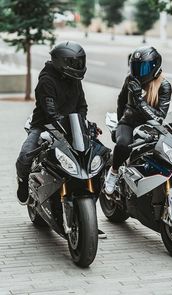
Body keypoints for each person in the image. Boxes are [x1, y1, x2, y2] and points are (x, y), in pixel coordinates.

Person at [16, 41, 107, 238]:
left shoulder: (74, 79)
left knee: (99, 158)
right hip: (45, 125)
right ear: (61, 62)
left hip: (74, 127)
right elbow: (50, 112)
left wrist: (84, 124)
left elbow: (82, 106)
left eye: (80, 62)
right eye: (75, 62)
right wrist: (62, 126)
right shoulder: (46, 81)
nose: (79, 66)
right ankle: (23, 183)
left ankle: (87, 219)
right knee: (25, 154)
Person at [105, 46, 172, 195]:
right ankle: (114, 172)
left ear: (155, 67)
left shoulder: (164, 86)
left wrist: (139, 100)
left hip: (152, 127)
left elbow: (159, 117)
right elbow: (121, 102)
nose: (138, 72)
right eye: (135, 67)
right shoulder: (130, 80)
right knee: (123, 146)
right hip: (128, 122)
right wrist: (118, 124)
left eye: (143, 68)